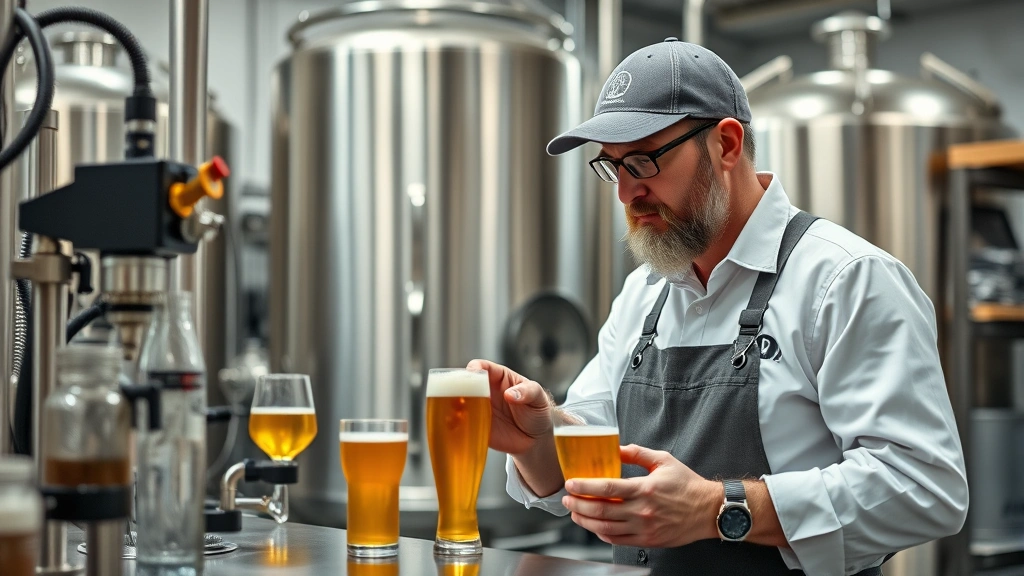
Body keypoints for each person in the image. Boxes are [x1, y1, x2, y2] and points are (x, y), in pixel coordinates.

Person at [468, 38, 967, 576]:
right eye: (613, 168)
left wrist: (719, 508)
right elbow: (592, 448)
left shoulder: (846, 280)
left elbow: (925, 487)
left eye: (642, 160)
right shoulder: (643, 295)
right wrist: (538, 437)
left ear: (726, 145)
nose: (626, 194)